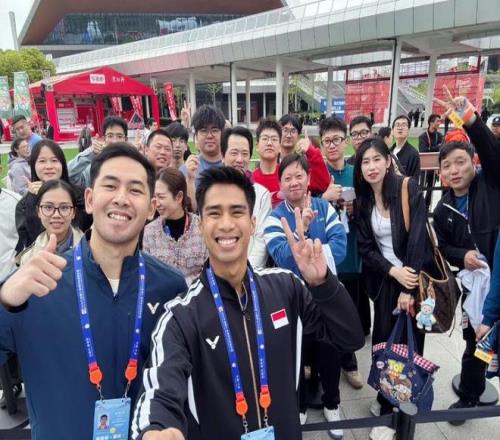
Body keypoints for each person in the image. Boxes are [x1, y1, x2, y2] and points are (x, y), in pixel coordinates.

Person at [131, 166, 364, 440]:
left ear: (253, 224)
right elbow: (160, 391)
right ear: (201, 225)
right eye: (214, 213)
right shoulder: (180, 316)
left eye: (237, 212)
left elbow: (349, 338)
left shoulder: (286, 287)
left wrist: (322, 284)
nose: (226, 224)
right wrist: (155, 429)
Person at [0, 144, 187, 440]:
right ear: (89, 199)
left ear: (152, 208)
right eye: (110, 186)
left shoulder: (170, 288)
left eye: (135, 190)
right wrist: (4, 301)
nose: (121, 198)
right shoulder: (38, 282)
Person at [354, 137, 435, 440]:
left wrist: (407, 287)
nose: (372, 166)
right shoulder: (363, 201)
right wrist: (392, 271)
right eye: (365, 161)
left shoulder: (407, 188)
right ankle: (386, 397)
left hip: (412, 279)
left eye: (377, 159)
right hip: (387, 280)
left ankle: (397, 413)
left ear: (388, 161)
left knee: (407, 346)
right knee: (384, 343)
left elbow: (418, 239)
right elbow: (366, 247)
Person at [263, 153, 348, 439]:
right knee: (295, 353)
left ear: (309, 178)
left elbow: (341, 247)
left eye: (299, 175)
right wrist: (307, 234)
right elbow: (283, 257)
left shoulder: (325, 208)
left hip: (326, 294)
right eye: (287, 177)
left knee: (330, 351)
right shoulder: (275, 218)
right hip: (293, 297)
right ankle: (298, 405)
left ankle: (332, 404)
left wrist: (306, 252)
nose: (294, 182)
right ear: (280, 184)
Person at [432, 93, 500, 422]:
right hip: (474, 290)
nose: (454, 170)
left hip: (498, 281)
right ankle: (470, 396)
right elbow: (443, 248)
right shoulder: (442, 209)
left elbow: (492, 152)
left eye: (460, 162)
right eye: (447, 166)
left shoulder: (491, 184)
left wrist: (471, 120)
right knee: (475, 343)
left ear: (473, 162)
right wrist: (464, 255)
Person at [320, 116, 369, 383]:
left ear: (346, 141)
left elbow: (371, 206)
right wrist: (323, 198)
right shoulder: (317, 173)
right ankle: (322, 362)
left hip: (351, 254)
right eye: (327, 140)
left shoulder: (357, 172)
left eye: (337, 139)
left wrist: (355, 207)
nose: (332, 145)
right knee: (325, 310)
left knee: (349, 309)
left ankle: (349, 362)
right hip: (326, 256)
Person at [15, 139, 91, 250]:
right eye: (42, 161)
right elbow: (31, 241)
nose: (49, 166)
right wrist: (33, 199)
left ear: (62, 164)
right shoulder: (24, 205)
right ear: (33, 165)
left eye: (54, 160)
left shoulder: (81, 195)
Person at [142, 168, 207, 285]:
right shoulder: (150, 232)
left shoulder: (202, 227)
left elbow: (209, 270)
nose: (157, 203)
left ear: (179, 197)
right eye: (155, 197)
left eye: (161, 197)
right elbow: (148, 274)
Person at [222, 126, 272, 268]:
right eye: (234, 153)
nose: (240, 159)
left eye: (245, 154)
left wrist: (245, 271)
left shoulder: (261, 195)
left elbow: (261, 241)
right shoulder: (211, 192)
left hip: (251, 271)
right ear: (223, 155)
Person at [16, 180, 84, 266]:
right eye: (48, 207)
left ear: (74, 212)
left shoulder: (90, 249)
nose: (56, 215)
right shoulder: (28, 259)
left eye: (64, 207)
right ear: (38, 211)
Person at [68, 116, 128, 187]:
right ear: (104, 139)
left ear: (126, 139)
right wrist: (90, 153)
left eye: (119, 136)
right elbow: (70, 176)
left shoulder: (133, 164)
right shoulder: (94, 166)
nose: (114, 141)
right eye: (110, 136)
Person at [279, 114, 330, 195]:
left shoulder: (304, 162)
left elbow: (324, 184)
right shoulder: (271, 161)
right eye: (285, 130)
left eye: (293, 131)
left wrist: (311, 150)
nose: (288, 135)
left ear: (298, 135)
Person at [252, 118, 283, 207]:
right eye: (265, 138)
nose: (269, 143)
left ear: (280, 147)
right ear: (257, 146)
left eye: (274, 139)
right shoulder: (250, 180)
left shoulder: (286, 177)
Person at [418, 113, 443, 208]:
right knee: (421, 187)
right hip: (425, 167)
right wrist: (436, 147)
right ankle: (419, 205)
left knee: (431, 188)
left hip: (435, 167)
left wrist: (431, 148)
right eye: (437, 121)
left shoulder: (440, 136)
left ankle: (426, 206)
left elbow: (442, 149)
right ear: (431, 123)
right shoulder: (423, 136)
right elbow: (423, 150)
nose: (439, 123)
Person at [391, 115, 420, 180]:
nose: (400, 128)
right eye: (397, 125)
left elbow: (414, 181)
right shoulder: (388, 152)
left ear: (408, 130)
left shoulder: (413, 154)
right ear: (392, 131)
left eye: (403, 125)